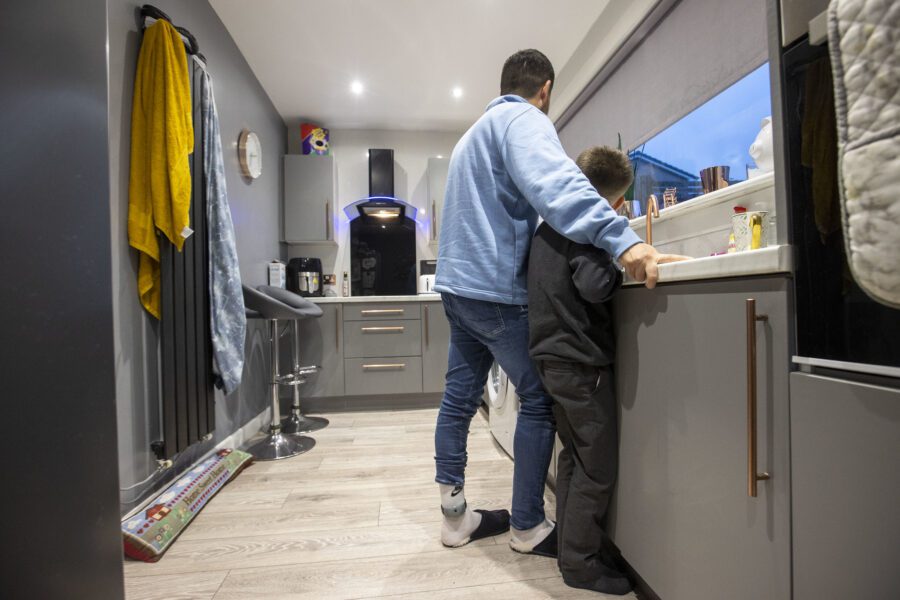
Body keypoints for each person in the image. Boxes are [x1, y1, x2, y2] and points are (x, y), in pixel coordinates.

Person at [432, 48, 678, 555]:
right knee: (540, 398)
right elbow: (559, 183)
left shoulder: (471, 136)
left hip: (458, 289)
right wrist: (623, 240)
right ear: (544, 90)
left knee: (458, 398)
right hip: (495, 293)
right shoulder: (523, 119)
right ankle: (526, 526)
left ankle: (455, 519)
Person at [528, 146, 635, 595]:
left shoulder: (550, 221)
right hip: (580, 360)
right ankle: (580, 564)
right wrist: (618, 254)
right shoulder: (588, 224)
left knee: (574, 456)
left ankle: (570, 547)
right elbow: (593, 286)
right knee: (597, 466)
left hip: (551, 357)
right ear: (611, 202)